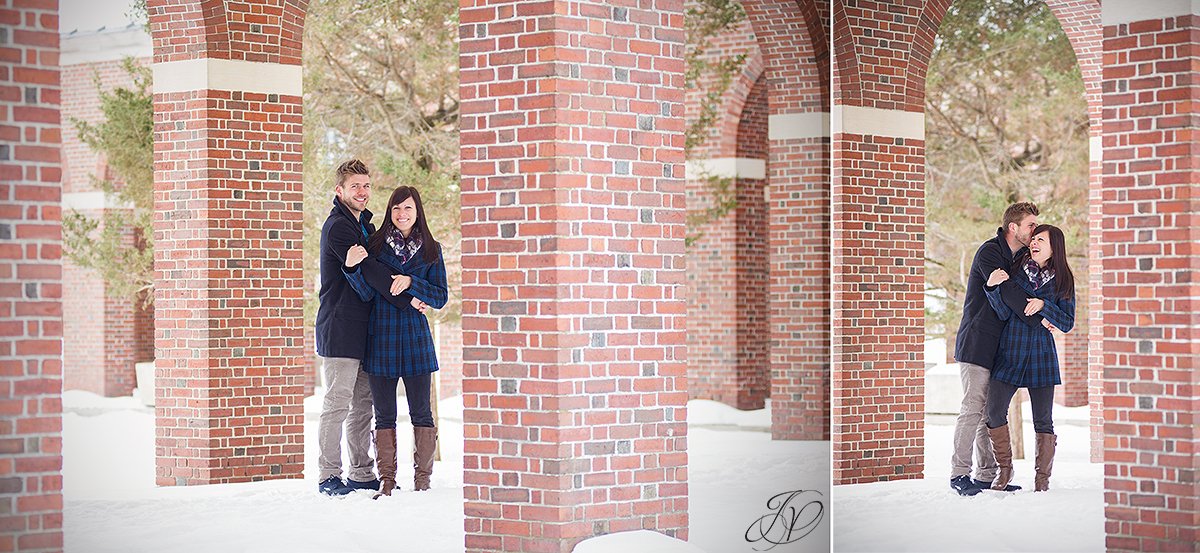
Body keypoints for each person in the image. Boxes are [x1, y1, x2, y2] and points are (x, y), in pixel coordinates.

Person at [343, 185, 448, 498]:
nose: (402, 215)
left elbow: (440, 297)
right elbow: (364, 292)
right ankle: (387, 481)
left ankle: (423, 481)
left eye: (408, 209)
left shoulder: (432, 249)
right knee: (384, 415)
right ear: (390, 212)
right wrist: (351, 269)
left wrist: (412, 283)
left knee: (422, 413)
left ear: (418, 213)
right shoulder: (375, 247)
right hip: (382, 338)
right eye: (396, 209)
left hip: (416, 340)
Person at [949, 202, 1045, 496]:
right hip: (977, 342)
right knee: (972, 408)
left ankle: (985, 475)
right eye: (1030, 225)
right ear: (1013, 227)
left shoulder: (1018, 260)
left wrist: (1045, 306)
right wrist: (1041, 318)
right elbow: (1010, 294)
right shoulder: (990, 252)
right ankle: (958, 474)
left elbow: (1025, 291)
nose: (1034, 230)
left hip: (999, 347)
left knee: (987, 410)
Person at [983, 224, 1075, 492]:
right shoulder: (1016, 271)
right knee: (994, 411)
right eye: (1033, 239)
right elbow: (1001, 311)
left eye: (1041, 240)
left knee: (1043, 420)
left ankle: (1041, 479)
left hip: (1041, 355)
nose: (1034, 243)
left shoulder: (1064, 280)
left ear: (1053, 247)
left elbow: (1068, 323)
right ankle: (1005, 470)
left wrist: (1045, 306)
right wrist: (991, 288)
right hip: (1011, 350)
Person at [313, 159, 381, 496]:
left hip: (364, 330)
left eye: (366, 185)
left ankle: (362, 473)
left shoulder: (364, 226)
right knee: (337, 404)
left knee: (362, 405)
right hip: (340, 329)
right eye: (355, 186)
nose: (362, 192)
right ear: (340, 191)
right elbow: (369, 273)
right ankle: (328, 475)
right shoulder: (339, 226)